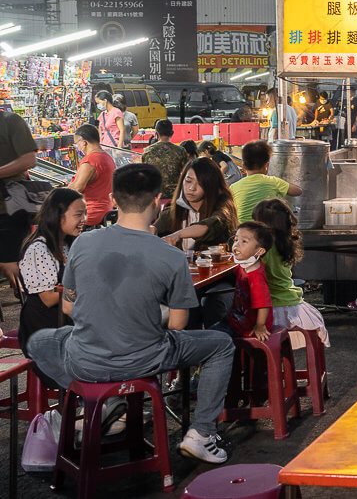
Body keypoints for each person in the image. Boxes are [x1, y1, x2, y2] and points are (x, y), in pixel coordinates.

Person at [25, 163, 236, 463]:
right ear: (157, 200)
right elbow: (177, 325)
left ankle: (99, 400)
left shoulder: (83, 243)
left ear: (113, 200)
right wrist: (146, 317)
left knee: (39, 342)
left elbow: (70, 307)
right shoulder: (171, 256)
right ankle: (201, 433)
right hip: (145, 359)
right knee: (221, 344)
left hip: (86, 360)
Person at [17, 189, 85, 368]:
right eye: (78, 214)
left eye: (85, 213)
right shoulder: (38, 250)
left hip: (68, 321)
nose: (84, 219)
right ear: (58, 215)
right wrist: (86, 284)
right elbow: (48, 298)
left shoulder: (70, 244)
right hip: (45, 328)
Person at [253, 198, 330, 346]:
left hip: (274, 308)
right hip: (293, 303)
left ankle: (264, 366)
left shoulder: (265, 250)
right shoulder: (285, 242)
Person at [156, 158, 238, 253]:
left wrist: (178, 235)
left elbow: (211, 224)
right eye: (188, 181)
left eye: (200, 183)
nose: (191, 188)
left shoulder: (223, 208)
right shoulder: (172, 212)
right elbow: (153, 231)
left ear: (211, 185)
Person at [212, 222, 274, 342]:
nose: (236, 245)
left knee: (212, 338)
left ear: (260, 251)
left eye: (244, 242)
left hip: (250, 326)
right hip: (237, 319)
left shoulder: (256, 277)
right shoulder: (244, 265)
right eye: (235, 240)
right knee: (212, 331)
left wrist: (260, 326)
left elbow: (264, 304)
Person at [0, 109, 38, 290]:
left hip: (9, 209)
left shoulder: (10, 121)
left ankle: (31, 304)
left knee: (12, 265)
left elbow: (29, 159)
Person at [230, 140, 302, 224]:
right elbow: (297, 191)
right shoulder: (273, 181)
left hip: (242, 229)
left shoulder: (234, 187)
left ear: (243, 166)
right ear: (266, 165)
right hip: (266, 229)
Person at [68, 124, 116, 227]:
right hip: (107, 209)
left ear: (84, 142)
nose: (78, 147)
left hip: (90, 213)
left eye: (77, 143)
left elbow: (77, 188)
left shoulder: (90, 161)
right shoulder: (107, 157)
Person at [140, 119, 190, 199]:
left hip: (154, 194)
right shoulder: (180, 151)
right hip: (174, 195)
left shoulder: (147, 151)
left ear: (156, 134)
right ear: (172, 133)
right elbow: (186, 173)